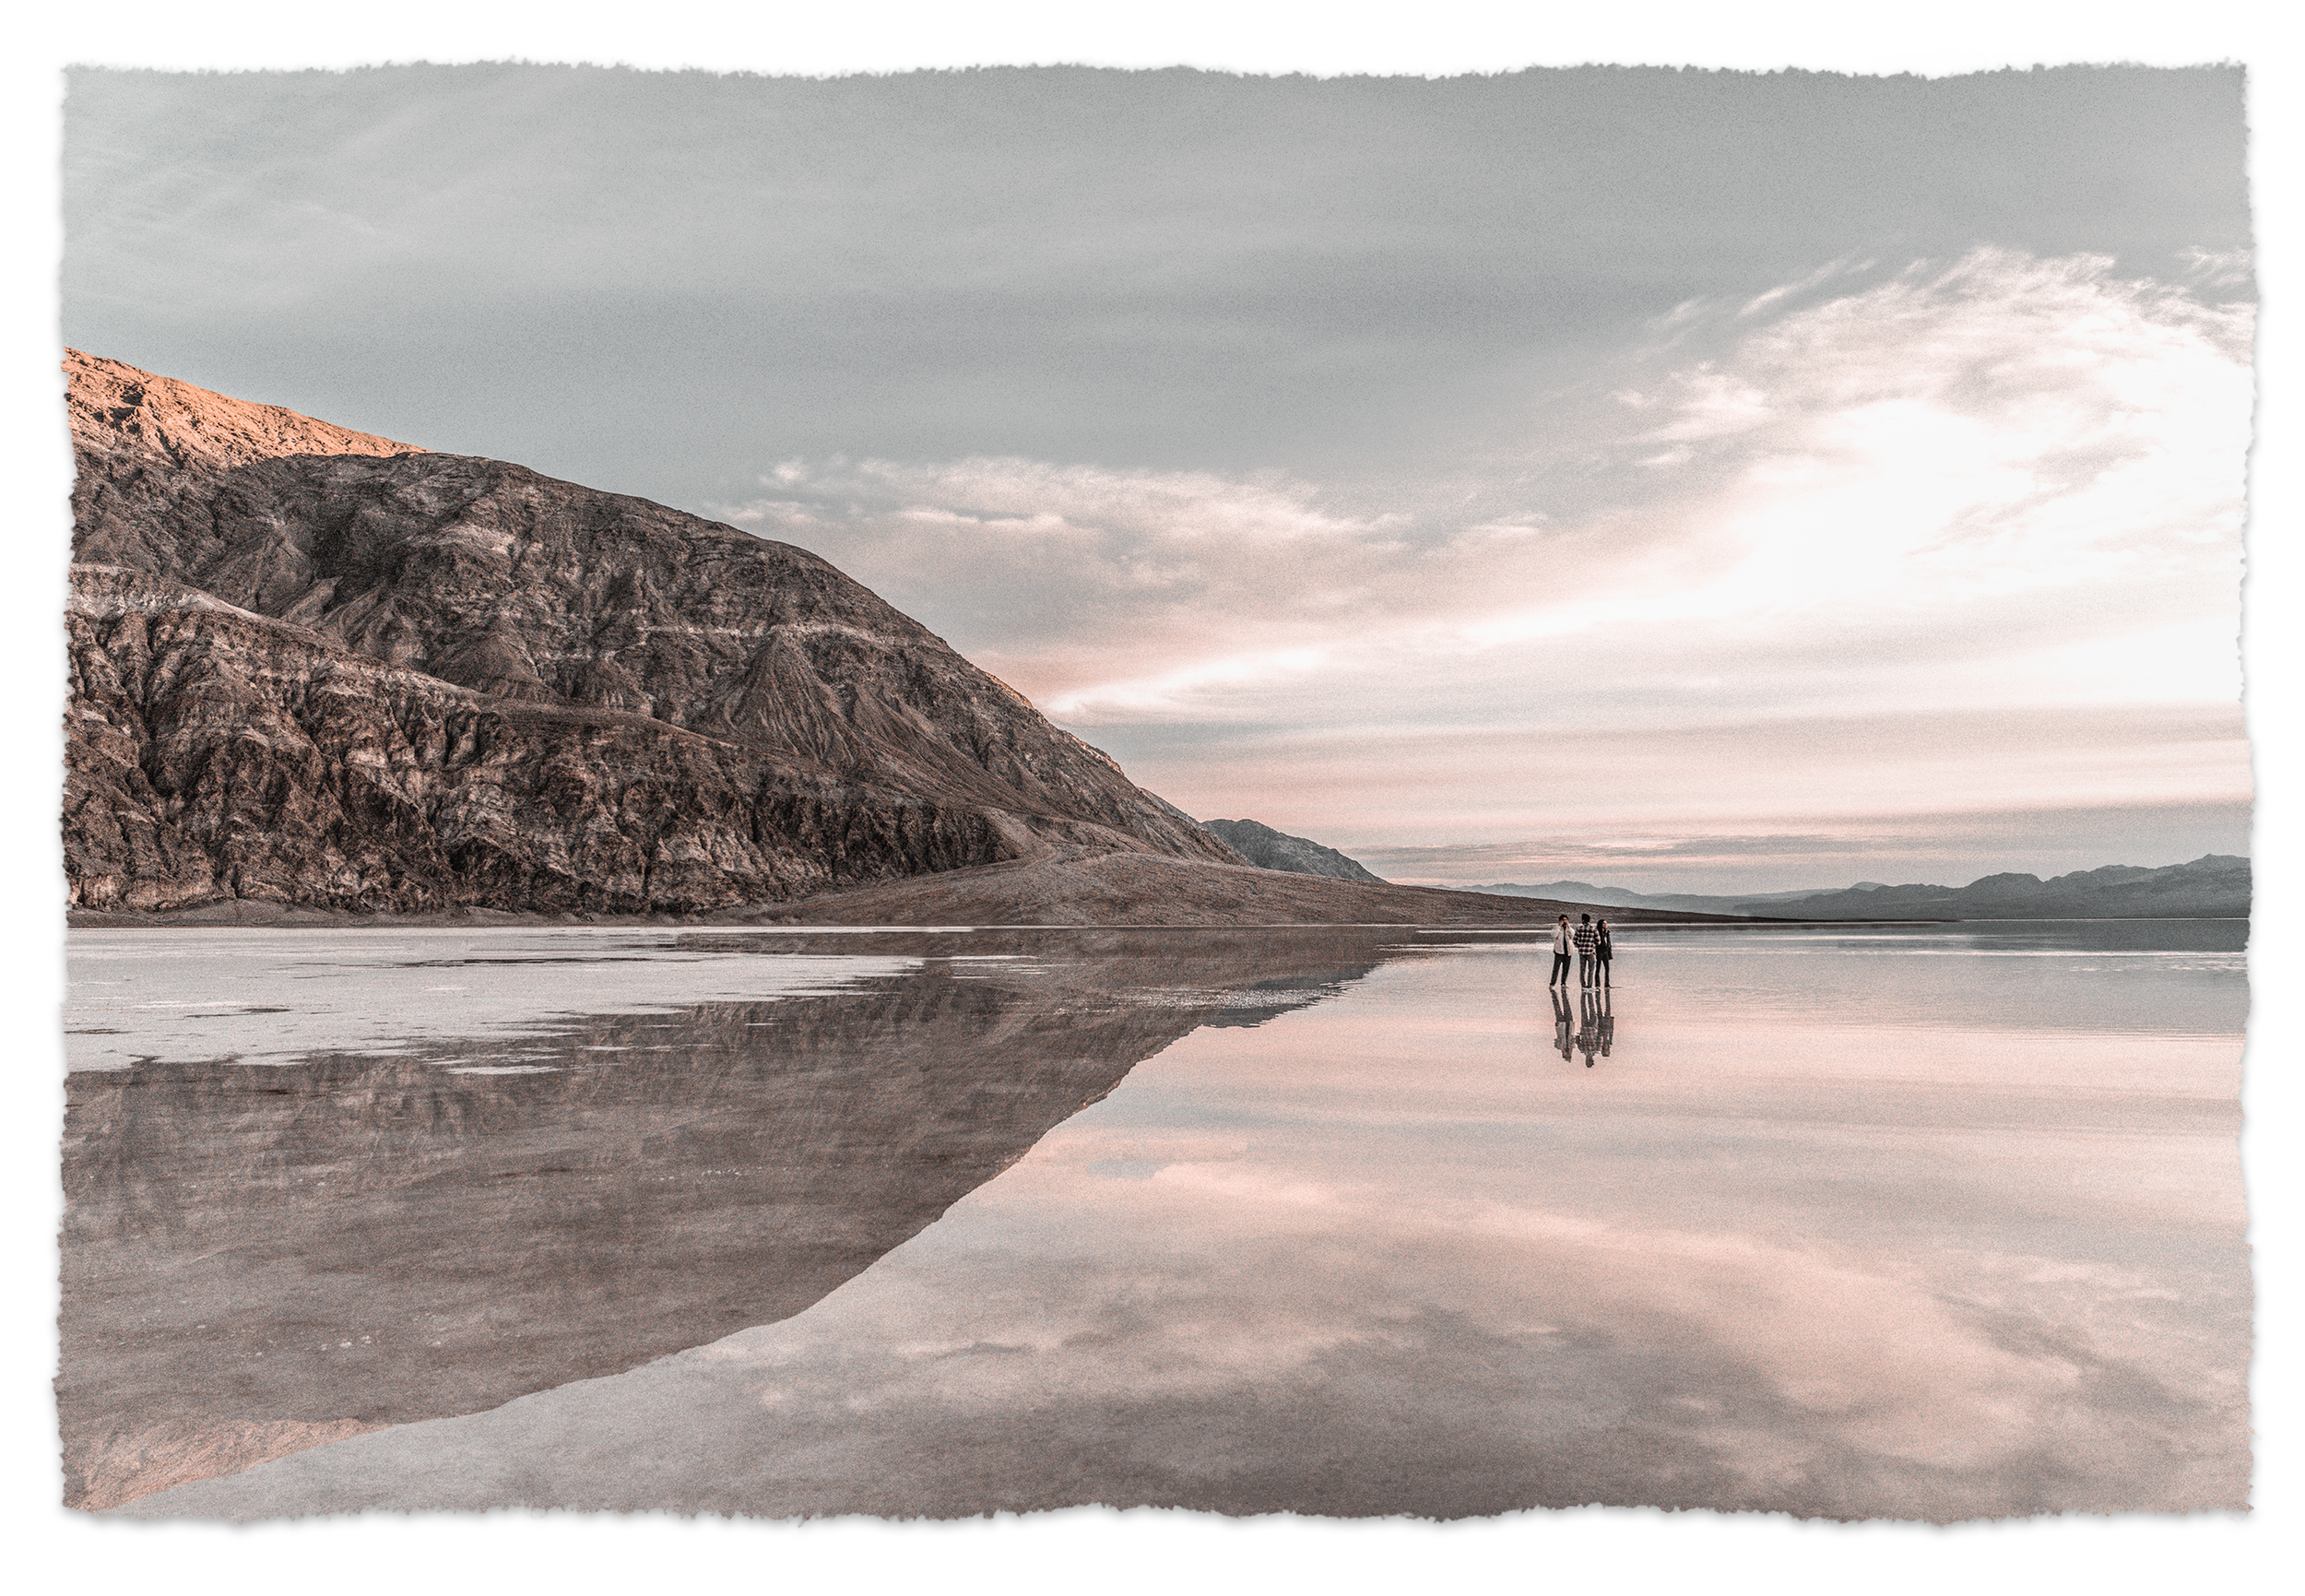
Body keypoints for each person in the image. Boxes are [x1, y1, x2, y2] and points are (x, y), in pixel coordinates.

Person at [1573, 913, 1599, 987]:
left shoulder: (1579, 929)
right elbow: (1598, 941)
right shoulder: (1593, 929)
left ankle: (1583, 985)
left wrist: (1579, 946)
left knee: (1582, 970)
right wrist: (1593, 945)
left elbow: (1574, 940)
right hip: (1590, 952)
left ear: (1583, 920)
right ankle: (1589, 985)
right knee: (1591, 970)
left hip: (1581, 953)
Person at [1549, 916, 1573, 987]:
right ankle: (1552, 983)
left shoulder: (1569, 928)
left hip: (1568, 952)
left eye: (1566, 920)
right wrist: (1559, 926)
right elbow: (1554, 935)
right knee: (1556, 968)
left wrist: (1568, 926)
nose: (1564, 921)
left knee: (1566, 969)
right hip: (1559, 951)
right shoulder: (1557, 928)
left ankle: (1563, 983)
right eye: (1563, 920)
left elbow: (1573, 935)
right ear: (1560, 921)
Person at [1593, 919, 1614, 987]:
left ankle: (1607, 984)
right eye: (1604, 923)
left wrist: (1609, 952)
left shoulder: (1607, 932)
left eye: (1606, 923)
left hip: (1606, 952)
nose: (1605, 925)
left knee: (1607, 968)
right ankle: (1597, 984)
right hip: (1599, 951)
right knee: (1598, 968)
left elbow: (1608, 942)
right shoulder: (1597, 932)